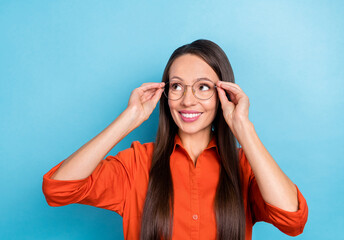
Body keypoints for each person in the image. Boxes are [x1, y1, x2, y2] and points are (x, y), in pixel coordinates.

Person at [42, 39, 308, 240]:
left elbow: (292, 220)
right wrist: (130, 118)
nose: (187, 100)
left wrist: (243, 129)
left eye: (203, 87)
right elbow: (59, 189)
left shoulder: (244, 167)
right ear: (165, 94)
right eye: (177, 86)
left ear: (223, 94)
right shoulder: (137, 163)